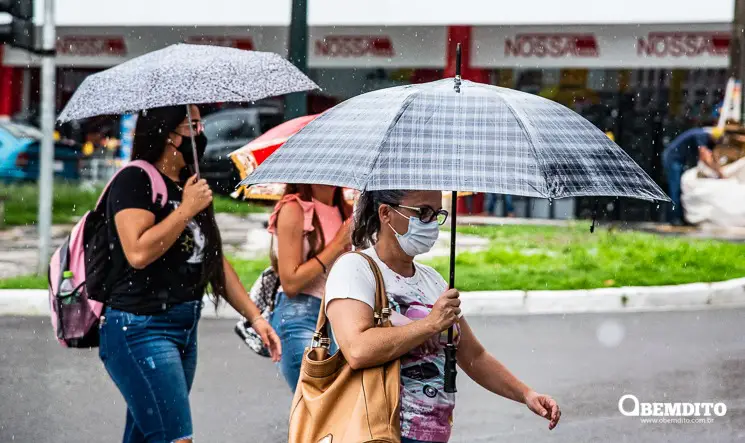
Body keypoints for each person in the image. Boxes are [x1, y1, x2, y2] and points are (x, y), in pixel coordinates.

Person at [99, 105, 281, 443]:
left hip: (183, 327)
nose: (201, 133)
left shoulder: (192, 185)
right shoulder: (135, 180)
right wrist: (185, 209)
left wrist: (255, 317)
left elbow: (214, 261)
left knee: (147, 435)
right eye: (192, 125)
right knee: (176, 437)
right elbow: (138, 253)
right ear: (168, 133)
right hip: (139, 326)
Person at [325, 190, 561, 443]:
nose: (431, 223)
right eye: (423, 212)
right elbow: (358, 350)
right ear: (386, 213)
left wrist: (526, 394)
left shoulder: (432, 280)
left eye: (437, 213)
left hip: (432, 434)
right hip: (377, 432)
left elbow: (474, 356)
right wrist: (429, 324)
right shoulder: (355, 268)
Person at [268, 184, 353, 390]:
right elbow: (290, 283)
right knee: (318, 400)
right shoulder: (294, 208)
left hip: (340, 316)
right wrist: (337, 244)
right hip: (301, 313)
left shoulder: (347, 211)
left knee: (338, 403)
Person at [662, 126, 724, 226]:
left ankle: (679, 218)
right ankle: (673, 219)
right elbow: (704, 156)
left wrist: (718, 170)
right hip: (673, 159)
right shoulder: (701, 135)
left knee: (680, 189)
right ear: (714, 137)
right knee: (675, 189)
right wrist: (719, 173)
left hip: (679, 160)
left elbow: (712, 156)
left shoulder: (705, 137)